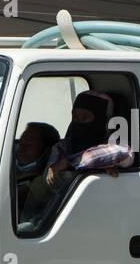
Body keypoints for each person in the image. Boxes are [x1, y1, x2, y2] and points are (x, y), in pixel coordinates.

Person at [19, 90, 133, 229]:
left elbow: (123, 152)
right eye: (75, 116)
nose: (78, 122)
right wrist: (90, 165)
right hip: (55, 221)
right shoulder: (63, 147)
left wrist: (69, 163)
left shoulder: (115, 144)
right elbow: (51, 180)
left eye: (85, 117)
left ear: (102, 121)